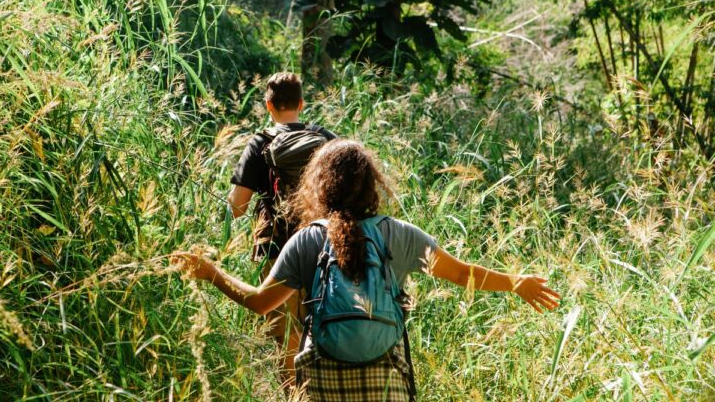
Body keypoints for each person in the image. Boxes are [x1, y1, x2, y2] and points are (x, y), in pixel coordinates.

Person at [176, 139, 560, 400]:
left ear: (318, 185)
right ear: (374, 184)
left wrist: (211, 273)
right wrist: (515, 283)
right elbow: (463, 274)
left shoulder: (308, 240)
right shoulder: (401, 235)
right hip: (385, 377)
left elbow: (260, 303)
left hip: (323, 375)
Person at [226, 72, 335, 385]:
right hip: (323, 246)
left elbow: (238, 207)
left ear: (268, 105)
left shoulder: (259, 143)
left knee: (287, 337)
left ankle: (295, 396)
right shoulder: (326, 140)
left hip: (275, 248)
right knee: (324, 329)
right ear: (301, 103)